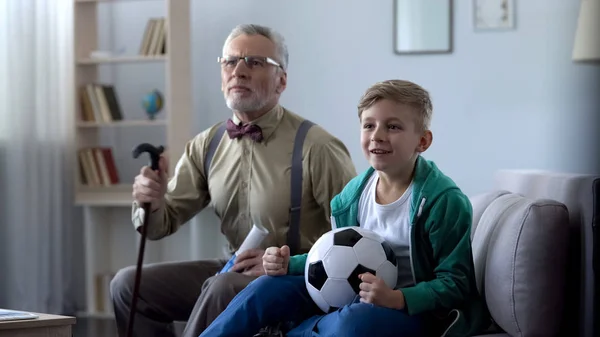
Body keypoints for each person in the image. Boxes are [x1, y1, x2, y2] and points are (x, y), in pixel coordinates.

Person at [109, 24, 357, 337]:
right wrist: (153, 202)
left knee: (222, 287)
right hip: (233, 269)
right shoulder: (206, 144)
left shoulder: (316, 147)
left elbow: (354, 237)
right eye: (230, 62)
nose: (238, 71)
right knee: (128, 285)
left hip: (297, 278)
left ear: (281, 81)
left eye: (255, 62)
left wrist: (287, 262)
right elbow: (159, 226)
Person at [200, 79, 492, 337]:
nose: (377, 135)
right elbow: (334, 261)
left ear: (423, 141)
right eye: (369, 125)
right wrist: (289, 264)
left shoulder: (443, 200)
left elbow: (455, 283)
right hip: (349, 297)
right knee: (265, 289)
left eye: (393, 126)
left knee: (354, 322)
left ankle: (290, 331)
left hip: (413, 314)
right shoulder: (352, 196)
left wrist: (397, 298)